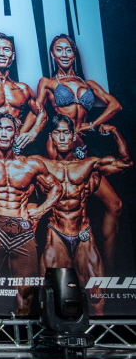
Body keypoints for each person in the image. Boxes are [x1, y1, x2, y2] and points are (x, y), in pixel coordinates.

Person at [35, 34, 124, 267]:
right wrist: (26, 134)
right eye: (59, 50)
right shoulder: (47, 82)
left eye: (68, 50)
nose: (64, 54)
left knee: (115, 205)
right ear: (52, 55)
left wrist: (92, 125)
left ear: (74, 54)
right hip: (57, 147)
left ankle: (110, 268)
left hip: (81, 149)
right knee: (61, 207)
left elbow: (115, 105)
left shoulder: (89, 85)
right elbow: (38, 113)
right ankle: (57, 264)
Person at [0, 113, 60, 313]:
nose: (3, 134)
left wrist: (41, 210)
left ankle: (24, 332)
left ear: (16, 133)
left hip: (22, 227)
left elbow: (56, 188)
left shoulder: (30, 164)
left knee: (27, 293)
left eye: (8, 129)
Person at [40, 117, 130, 316]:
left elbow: (126, 162)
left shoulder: (89, 165)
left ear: (74, 136)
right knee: (53, 298)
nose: (62, 138)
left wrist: (115, 132)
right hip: (56, 233)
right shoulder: (42, 165)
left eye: (66, 133)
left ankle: (97, 333)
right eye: (57, 133)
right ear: (51, 137)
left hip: (82, 234)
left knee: (98, 300)